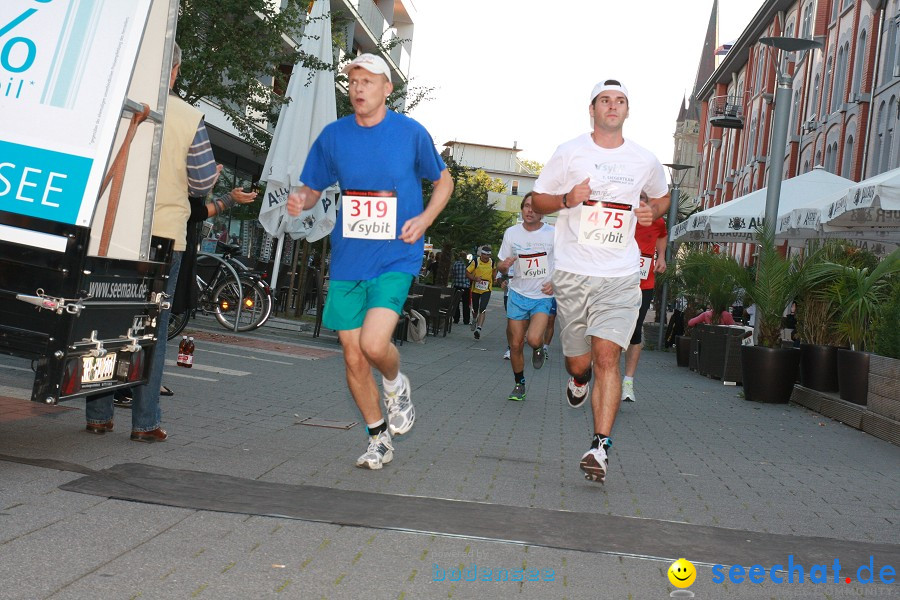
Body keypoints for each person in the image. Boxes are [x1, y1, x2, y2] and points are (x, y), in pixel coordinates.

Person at [286, 53, 453, 470]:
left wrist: (425, 218)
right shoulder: (334, 136)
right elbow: (312, 187)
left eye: (367, 81)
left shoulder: (410, 133)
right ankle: (378, 436)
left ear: (386, 89)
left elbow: (443, 179)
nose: (358, 89)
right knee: (352, 353)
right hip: (348, 258)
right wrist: (300, 200)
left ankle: (396, 385)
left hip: (397, 253)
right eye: (354, 81)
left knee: (374, 344)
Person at [531, 79, 670, 484]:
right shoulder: (569, 152)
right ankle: (578, 378)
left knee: (608, 356)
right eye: (605, 100)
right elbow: (539, 199)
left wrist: (650, 211)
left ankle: (599, 446)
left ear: (628, 111)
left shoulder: (644, 159)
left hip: (620, 275)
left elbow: (662, 197)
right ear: (591, 109)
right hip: (574, 273)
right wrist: (566, 200)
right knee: (580, 360)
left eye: (620, 101)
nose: (613, 106)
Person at [85, 43, 220, 442]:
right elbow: (203, 182)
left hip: (111, 232)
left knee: (105, 321)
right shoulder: (188, 117)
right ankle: (145, 423)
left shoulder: (116, 104)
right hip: (163, 236)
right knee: (152, 330)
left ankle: (98, 414)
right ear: (174, 71)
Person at [497, 193, 555, 401]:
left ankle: (539, 348)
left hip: (542, 295)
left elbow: (566, 263)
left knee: (532, 339)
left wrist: (555, 283)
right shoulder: (512, 233)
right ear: (522, 209)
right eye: (527, 206)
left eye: (535, 207)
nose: (530, 210)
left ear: (543, 212)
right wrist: (503, 266)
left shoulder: (553, 234)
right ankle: (519, 384)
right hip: (518, 293)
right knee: (515, 344)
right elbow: (501, 264)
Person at [621, 216, 668, 403]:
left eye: (645, 199)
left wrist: (661, 256)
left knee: (634, 330)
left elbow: (662, 235)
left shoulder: (657, 220)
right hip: (617, 282)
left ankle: (628, 382)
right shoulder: (623, 216)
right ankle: (605, 374)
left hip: (643, 285)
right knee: (613, 329)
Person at [466, 245, 497, 340]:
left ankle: (478, 329)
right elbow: (467, 272)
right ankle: (474, 319)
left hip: (487, 289)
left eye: (487, 255)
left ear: (490, 256)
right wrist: (475, 278)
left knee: (482, 308)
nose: (485, 257)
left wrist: (494, 278)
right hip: (476, 289)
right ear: (481, 254)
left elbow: (494, 272)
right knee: (475, 309)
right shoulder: (475, 261)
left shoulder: (492, 262)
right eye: (483, 255)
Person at [450, 251, 471, 325]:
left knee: (456, 303)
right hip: (466, 287)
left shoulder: (455, 264)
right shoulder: (468, 265)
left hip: (457, 286)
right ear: (465, 257)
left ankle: (456, 319)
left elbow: (452, 275)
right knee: (466, 304)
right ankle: (466, 320)